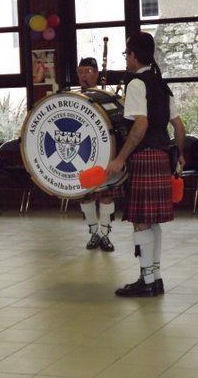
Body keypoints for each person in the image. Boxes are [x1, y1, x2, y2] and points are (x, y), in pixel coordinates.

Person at [106, 32, 186, 297]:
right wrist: (181, 154)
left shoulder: (137, 84)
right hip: (162, 156)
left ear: (133, 54)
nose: (125, 59)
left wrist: (119, 158)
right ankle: (156, 276)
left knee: (141, 221)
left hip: (144, 157)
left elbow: (140, 125)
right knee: (152, 222)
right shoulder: (161, 84)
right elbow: (178, 126)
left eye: (126, 54)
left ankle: (147, 281)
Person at [77, 57, 119, 252]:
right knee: (86, 197)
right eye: (81, 71)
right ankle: (94, 233)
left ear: (96, 73)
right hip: (82, 156)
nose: (84, 75)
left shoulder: (105, 97)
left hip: (103, 156)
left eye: (88, 71)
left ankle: (104, 235)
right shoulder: (73, 98)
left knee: (105, 197)